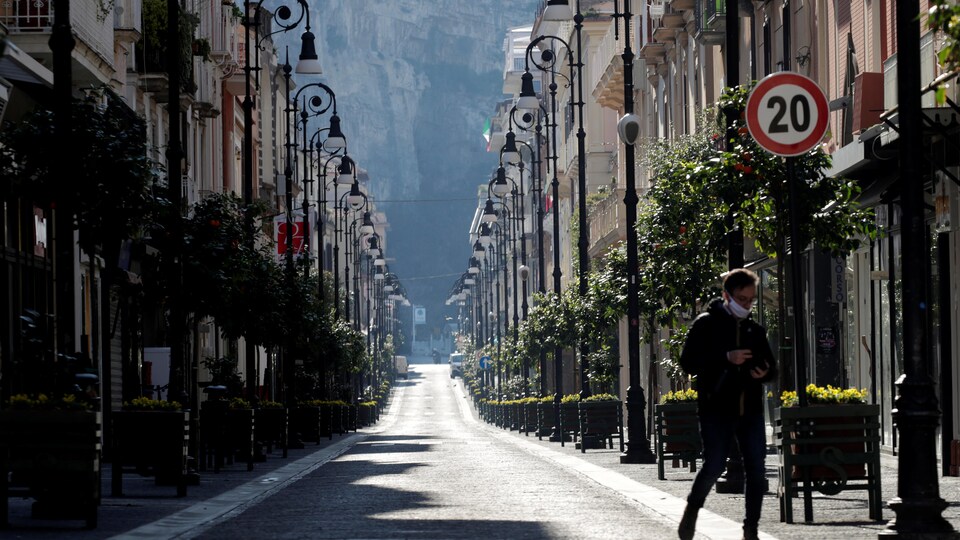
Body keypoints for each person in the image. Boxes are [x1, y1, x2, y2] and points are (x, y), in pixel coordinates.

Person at [677, 268, 777, 540]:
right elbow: (688, 362)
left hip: (751, 410)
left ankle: (751, 528)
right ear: (726, 295)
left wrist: (764, 373)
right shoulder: (705, 324)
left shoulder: (755, 330)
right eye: (741, 299)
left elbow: (772, 369)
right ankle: (692, 511)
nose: (746, 304)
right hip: (716, 408)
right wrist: (725, 357)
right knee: (714, 464)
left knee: (756, 469)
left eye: (750, 300)